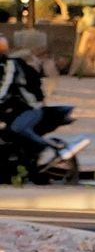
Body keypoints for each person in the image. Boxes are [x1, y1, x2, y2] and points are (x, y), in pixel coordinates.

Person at [0, 34, 50, 163]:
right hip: (16, 108)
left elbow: (6, 86)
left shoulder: (11, 65)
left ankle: (45, 149)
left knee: (17, 128)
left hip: (31, 107)